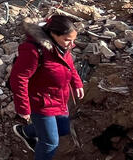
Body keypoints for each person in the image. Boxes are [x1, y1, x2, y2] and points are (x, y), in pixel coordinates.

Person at [10, 15, 84, 160]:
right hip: (41, 102)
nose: (71, 44)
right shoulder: (33, 51)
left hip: (60, 97)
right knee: (50, 143)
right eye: (68, 40)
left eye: (73, 40)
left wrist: (77, 82)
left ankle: (25, 132)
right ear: (53, 34)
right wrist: (23, 107)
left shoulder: (61, 46)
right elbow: (18, 78)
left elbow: (68, 65)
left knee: (63, 129)